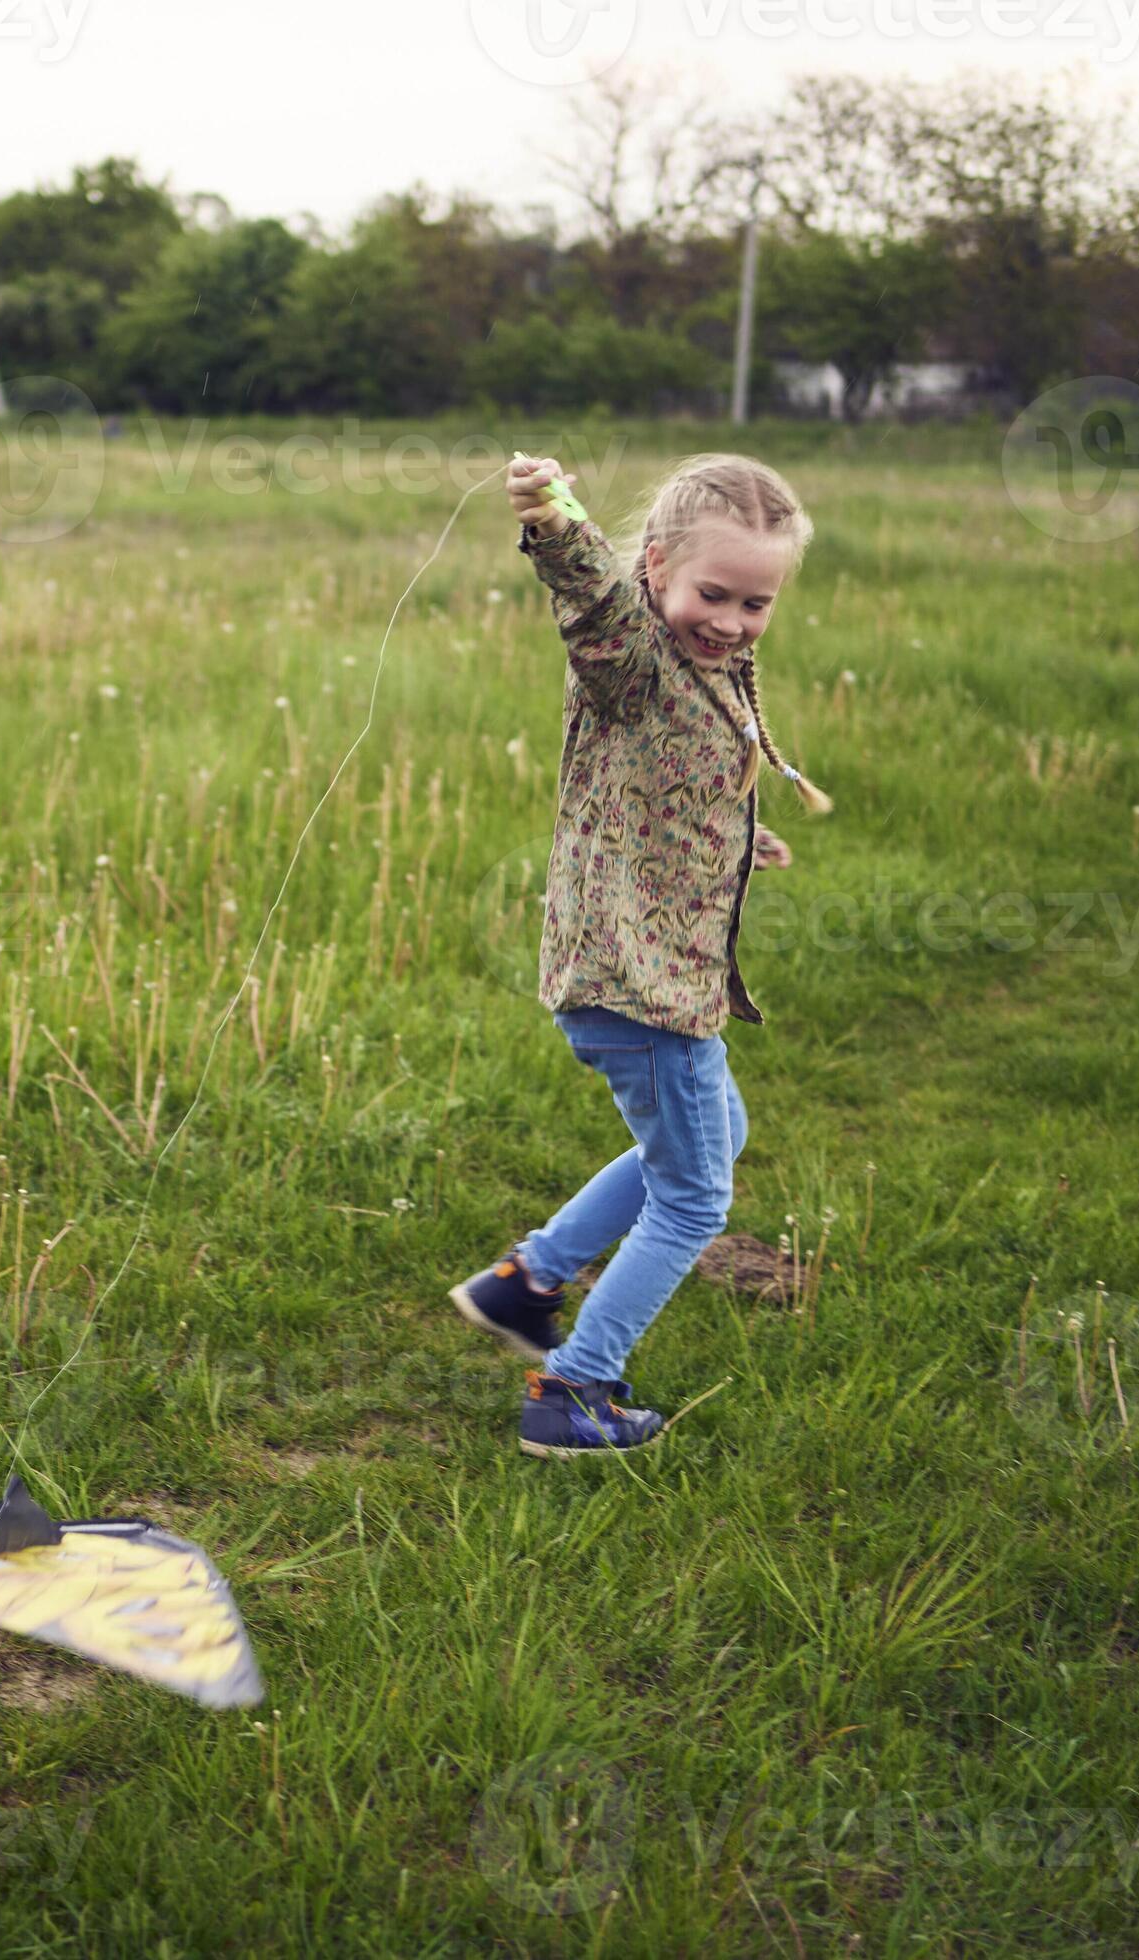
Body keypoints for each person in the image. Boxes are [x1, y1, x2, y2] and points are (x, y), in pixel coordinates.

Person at [451, 452, 834, 1458]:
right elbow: (593, 607)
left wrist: (740, 835)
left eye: (757, 602)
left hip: (647, 977)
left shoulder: (709, 669)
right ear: (657, 568)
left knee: (717, 1135)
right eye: (714, 593)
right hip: (639, 989)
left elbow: (672, 788)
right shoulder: (633, 659)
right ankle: (573, 1389)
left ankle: (528, 1281)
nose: (734, 619)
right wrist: (550, 520)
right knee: (697, 1195)